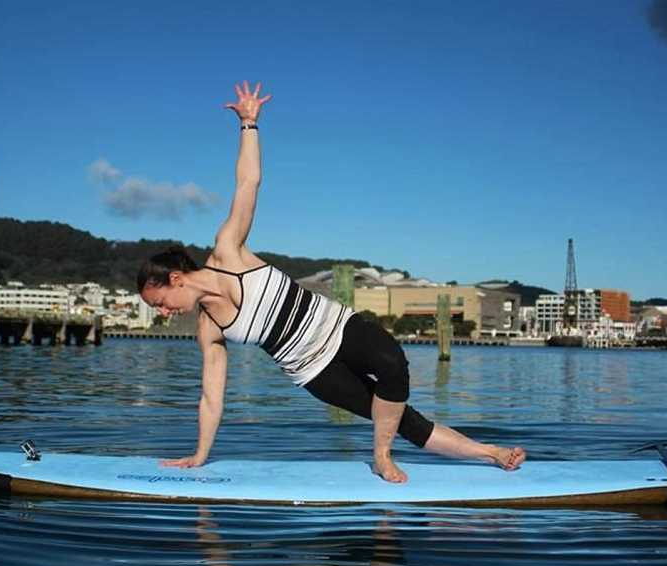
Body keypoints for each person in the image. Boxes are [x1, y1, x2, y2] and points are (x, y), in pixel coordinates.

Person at [138, 81, 526, 483]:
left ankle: (380, 456)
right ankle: (492, 454)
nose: (165, 313)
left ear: (175, 277)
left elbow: (247, 184)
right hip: (313, 369)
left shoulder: (228, 252)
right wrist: (200, 454)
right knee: (399, 418)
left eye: (160, 302)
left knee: (392, 360)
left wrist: (249, 125)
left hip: (338, 327)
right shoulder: (209, 326)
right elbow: (211, 396)